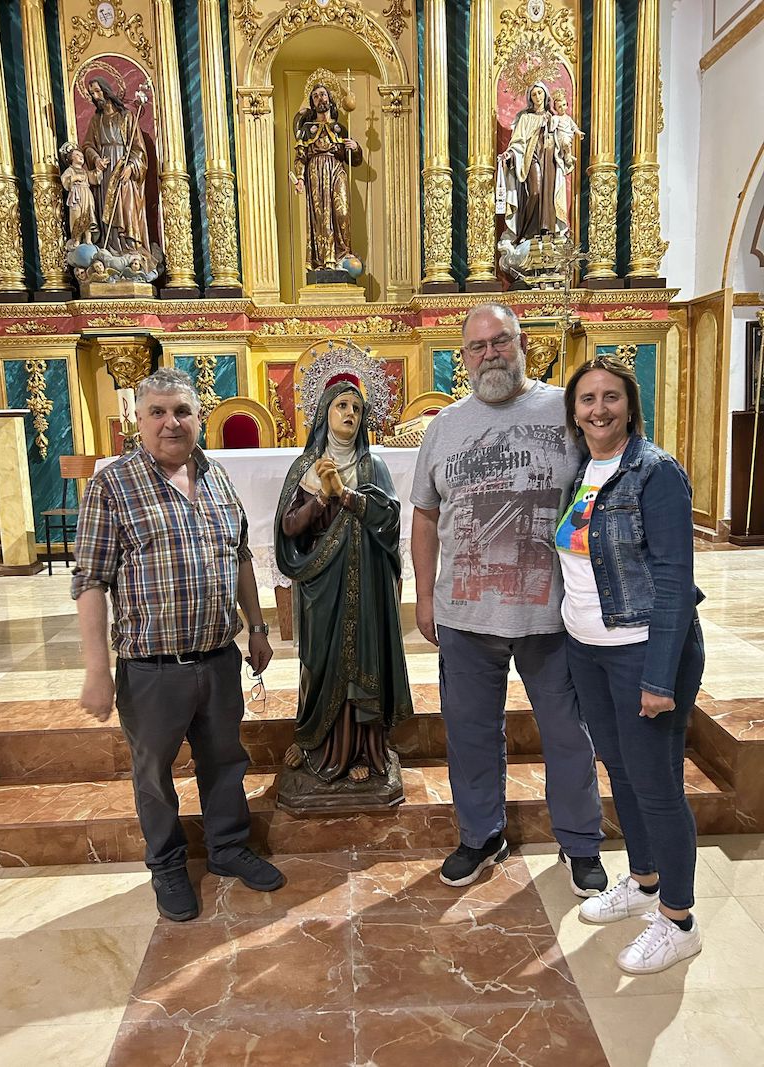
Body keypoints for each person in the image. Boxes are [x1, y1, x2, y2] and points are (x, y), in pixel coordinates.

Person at [73, 367, 284, 922]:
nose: (172, 423)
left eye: (182, 411)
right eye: (158, 412)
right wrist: (97, 670)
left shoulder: (216, 477)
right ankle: (167, 865)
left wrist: (257, 627)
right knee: (154, 774)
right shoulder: (112, 486)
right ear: (138, 421)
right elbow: (90, 581)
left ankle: (228, 847)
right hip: (152, 669)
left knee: (225, 761)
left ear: (198, 417)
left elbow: (239, 555)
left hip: (218, 659)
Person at [411, 304, 607, 892]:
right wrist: (424, 596)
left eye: (501, 341)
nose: (490, 354)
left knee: (568, 734)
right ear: (463, 358)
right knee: (471, 734)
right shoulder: (444, 427)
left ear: (523, 345)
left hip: (554, 615)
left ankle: (580, 842)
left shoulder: (566, 410)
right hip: (466, 615)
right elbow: (425, 515)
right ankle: (481, 835)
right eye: (477, 346)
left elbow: (604, 489)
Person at [556, 356, 705, 974]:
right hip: (588, 649)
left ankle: (679, 919)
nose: (599, 409)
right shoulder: (581, 471)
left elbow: (674, 580)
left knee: (657, 784)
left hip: (643, 649)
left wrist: (658, 677)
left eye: (610, 397)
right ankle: (644, 881)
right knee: (620, 770)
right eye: (587, 399)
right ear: (574, 412)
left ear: (630, 405)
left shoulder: (655, 471)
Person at [275, 378, 413, 783]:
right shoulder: (305, 468)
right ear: (325, 413)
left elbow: (389, 520)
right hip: (321, 581)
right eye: (342, 406)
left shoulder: (373, 466)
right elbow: (289, 527)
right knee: (320, 662)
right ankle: (314, 741)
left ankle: (364, 750)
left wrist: (347, 495)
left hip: (365, 580)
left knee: (363, 659)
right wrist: (322, 496)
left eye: (356, 408)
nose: (350, 413)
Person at [293, 82, 362, 271]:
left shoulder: (340, 128)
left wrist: (355, 148)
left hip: (337, 169)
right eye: (315, 96)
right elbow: (300, 156)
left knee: (342, 213)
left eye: (323, 94)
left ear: (330, 99)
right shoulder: (307, 129)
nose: (320, 98)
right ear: (312, 103)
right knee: (320, 216)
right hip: (315, 172)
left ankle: (343, 256)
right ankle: (323, 261)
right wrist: (300, 178)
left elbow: (354, 160)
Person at [82, 76, 150, 253]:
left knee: (125, 207)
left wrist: (131, 167)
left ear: (106, 91)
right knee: (107, 206)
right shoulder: (96, 120)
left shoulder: (126, 116)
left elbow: (138, 149)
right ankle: (111, 247)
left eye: (98, 91)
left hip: (122, 166)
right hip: (105, 169)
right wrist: (96, 159)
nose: (96, 96)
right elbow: (87, 146)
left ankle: (129, 248)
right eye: (92, 93)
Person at [500, 81, 570, 242]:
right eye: (534, 94)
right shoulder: (525, 118)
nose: (537, 96)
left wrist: (565, 147)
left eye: (540, 93)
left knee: (548, 195)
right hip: (532, 158)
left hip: (549, 160)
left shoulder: (553, 117)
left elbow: (563, 134)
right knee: (535, 192)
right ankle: (526, 233)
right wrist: (510, 154)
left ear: (545, 94)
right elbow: (517, 141)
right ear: (530, 98)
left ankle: (545, 231)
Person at [59, 142, 101, 244]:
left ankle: (88, 239)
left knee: (88, 215)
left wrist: (99, 169)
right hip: (76, 196)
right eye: (77, 155)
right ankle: (77, 239)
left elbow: (94, 178)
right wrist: (74, 178)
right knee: (77, 216)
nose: (81, 156)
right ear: (70, 158)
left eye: (81, 155)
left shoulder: (84, 171)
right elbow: (64, 180)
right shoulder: (70, 170)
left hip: (86, 194)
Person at [550, 89, 584, 168]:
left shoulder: (568, 118)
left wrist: (579, 132)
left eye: (564, 105)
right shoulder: (556, 118)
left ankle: (568, 155)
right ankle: (568, 156)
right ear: (555, 108)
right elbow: (551, 128)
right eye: (559, 107)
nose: (562, 108)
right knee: (565, 143)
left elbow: (573, 127)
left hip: (569, 135)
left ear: (567, 105)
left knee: (567, 144)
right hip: (561, 136)